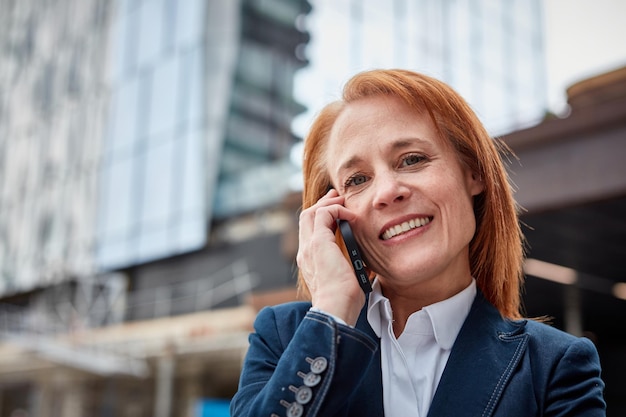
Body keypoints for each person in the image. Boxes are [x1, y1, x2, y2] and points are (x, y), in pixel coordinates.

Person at [230, 69, 606, 417]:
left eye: (411, 159)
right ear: (333, 214)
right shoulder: (285, 337)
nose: (387, 191)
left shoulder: (555, 365)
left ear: (472, 172)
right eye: (357, 180)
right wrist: (330, 318)